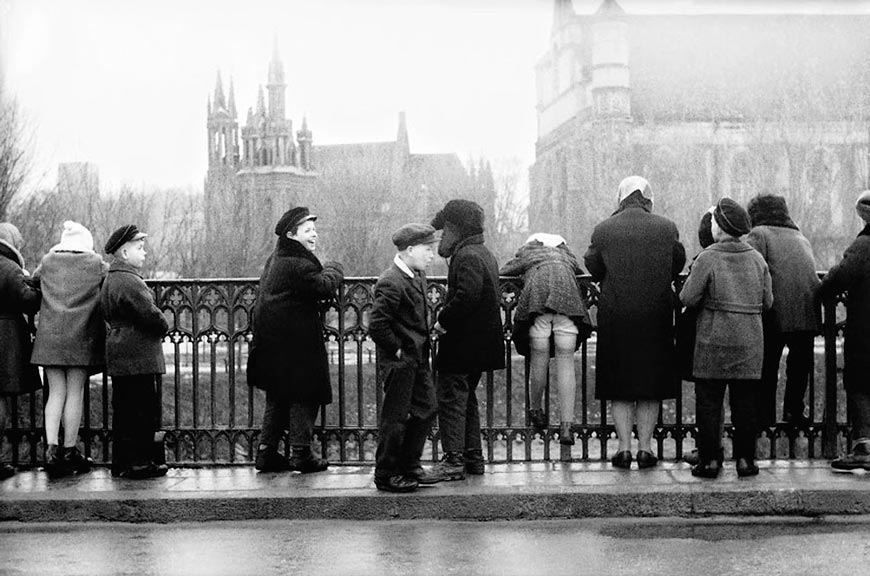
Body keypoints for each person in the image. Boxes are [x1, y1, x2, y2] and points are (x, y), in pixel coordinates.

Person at [584, 176, 686, 470]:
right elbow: (676, 263)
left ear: (621, 199)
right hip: (655, 314)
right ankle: (645, 448)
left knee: (620, 383)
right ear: (647, 199)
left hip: (617, 314)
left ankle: (624, 449)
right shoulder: (667, 228)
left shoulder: (604, 229)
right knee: (650, 382)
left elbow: (594, 265)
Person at [680, 198, 773, 479]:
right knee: (745, 403)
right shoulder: (757, 258)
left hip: (714, 339)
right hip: (749, 342)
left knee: (709, 401)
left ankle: (710, 460)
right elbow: (768, 301)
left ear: (719, 227)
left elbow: (688, 296)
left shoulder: (709, 257)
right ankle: (745, 460)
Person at [248, 207, 343, 473]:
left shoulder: (277, 258)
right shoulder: (297, 262)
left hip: (272, 342)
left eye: (314, 230)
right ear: (292, 234)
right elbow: (323, 286)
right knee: (306, 393)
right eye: (308, 231)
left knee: (278, 396)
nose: (314, 235)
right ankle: (301, 453)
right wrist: (335, 268)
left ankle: (266, 453)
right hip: (295, 344)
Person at [419, 199, 505, 483]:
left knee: (451, 400)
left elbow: (467, 295)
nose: (442, 237)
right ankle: (473, 458)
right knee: (466, 401)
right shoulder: (483, 253)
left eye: (445, 231)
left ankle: (453, 461)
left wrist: (443, 320)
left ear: (457, 229)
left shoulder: (466, 256)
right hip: (479, 346)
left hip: (463, 345)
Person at [500, 233, 592, 445]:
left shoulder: (530, 254)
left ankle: (535, 410)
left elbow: (503, 272)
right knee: (566, 362)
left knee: (538, 358)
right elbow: (581, 273)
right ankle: (567, 428)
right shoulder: (566, 257)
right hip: (568, 306)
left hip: (538, 305)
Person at [31, 221, 107, 477]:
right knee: (75, 392)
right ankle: (70, 449)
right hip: (81, 337)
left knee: (56, 394)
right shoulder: (95, 263)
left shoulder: (48, 261)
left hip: (50, 338)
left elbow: (32, 281)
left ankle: (51, 451)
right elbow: (110, 280)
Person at [369, 223, 439, 492]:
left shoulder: (415, 274)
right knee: (395, 418)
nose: (431, 254)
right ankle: (386, 474)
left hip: (418, 358)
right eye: (427, 249)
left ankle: (410, 465)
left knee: (427, 409)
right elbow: (377, 324)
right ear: (410, 250)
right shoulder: (392, 280)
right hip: (401, 361)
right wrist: (397, 349)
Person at [745, 194, 821, 427]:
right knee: (799, 369)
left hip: (775, 312)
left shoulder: (759, 234)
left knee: (767, 368)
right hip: (807, 311)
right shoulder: (799, 236)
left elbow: (753, 268)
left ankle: (764, 416)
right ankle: (794, 412)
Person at [101, 224, 169, 479]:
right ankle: (140, 462)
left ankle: (122, 462)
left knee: (124, 410)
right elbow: (150, 315)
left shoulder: (113, 278)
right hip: (137, 354)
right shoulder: (130, 281)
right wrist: (164, 324)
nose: (144, 253)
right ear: (125, 253)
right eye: (140, 248)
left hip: (121, 351)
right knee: (141, 410)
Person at [820, 190, 870, 472]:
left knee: (860, 383)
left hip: (865, 328)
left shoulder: (863, 246)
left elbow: (837, 278)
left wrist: (822, 288)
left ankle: (864, 446)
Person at [0, 223, 42, 480]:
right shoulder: (9, 267)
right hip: (4, 339)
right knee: (0, 399)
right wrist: (36, 289)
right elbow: (28, 300)